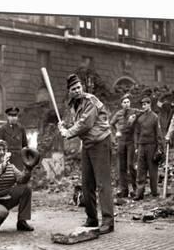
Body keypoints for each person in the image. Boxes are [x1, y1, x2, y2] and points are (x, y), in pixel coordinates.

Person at [58, 74, 114, 234]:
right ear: (69, 91)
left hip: (100, 142)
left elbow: (85, 124)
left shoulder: (90, 101)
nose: (77, 91)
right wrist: (64, 125)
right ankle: (92, 219)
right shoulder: (73, 104)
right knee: (87, 183)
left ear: (82, 87)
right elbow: (76, 122)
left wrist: (68, 132)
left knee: (103, 184)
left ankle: (108, 221)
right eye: (73, 89)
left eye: (78, 87)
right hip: (88, 144)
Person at [0, 140, 35, 233]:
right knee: (2, 212)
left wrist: (28, 168)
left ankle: (22, 222)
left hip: (6, 198)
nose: (1, 152)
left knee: (26, 189)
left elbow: (21, 180)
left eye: (3, 150)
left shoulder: (10, 166)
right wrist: (2, 167)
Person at [133, 97, 164, 201]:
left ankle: (154, 192)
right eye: (142, 104)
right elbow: (137, 133)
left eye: (145, 104)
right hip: (142, 146)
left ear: (149, 104)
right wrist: (137, 146)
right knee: (141, 170)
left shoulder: (155, 117)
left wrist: (159, 148)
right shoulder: (140, 118)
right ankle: (139, 194)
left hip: (152, 145)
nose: (143, 106)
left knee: (152, 170)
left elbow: (158, 134)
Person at [110, 93, 140, 198]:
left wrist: (135, 116)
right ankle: (124, 190)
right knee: (121, 166)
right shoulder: (118, 113)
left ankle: (136, 189)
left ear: (130, 103)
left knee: (130, 165)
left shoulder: (134, 111)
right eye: (124, 102)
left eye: (128, 102)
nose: (126, 104)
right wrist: (116, 133)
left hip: (131, 141)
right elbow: (111, 123)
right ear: (121, 104)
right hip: (121, 141)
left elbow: (144, 113)